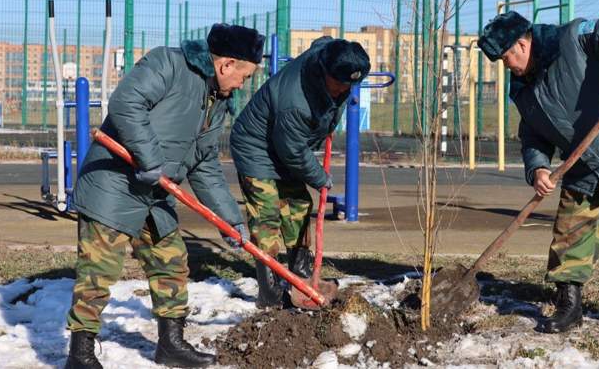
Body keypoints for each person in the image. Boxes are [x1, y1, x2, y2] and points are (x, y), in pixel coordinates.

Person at [64, 24, 264, 369]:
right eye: (244, 76)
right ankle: (80, 354)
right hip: (114, 183)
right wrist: (150, 158)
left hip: (156, 195)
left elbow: (204, 164)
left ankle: (170, 344)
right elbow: (126, 103)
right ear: (226, 64)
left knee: (171, 263)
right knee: (98, 272)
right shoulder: (168, 64)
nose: (242, 84)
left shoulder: (216, 102)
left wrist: (230, 219)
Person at [478, 11, 599, 340]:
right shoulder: (522, 90)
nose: (506, 65)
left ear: (523, 44)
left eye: (507, 57)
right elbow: (532, 134)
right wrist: (538, 167)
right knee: (570, 232)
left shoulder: (571, 39)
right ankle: (569, 306)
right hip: (582, 165)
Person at [229, 36, 370, 307]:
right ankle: (269, 292)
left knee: (298, 207)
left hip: (285, 146)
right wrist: (320, 177)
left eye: (350, 84)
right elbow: (292, 150)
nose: (344, 90)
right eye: (340, 83)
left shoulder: (328, 56)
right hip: (257, 148)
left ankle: (301, 275)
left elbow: (323, 41)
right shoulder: (296, 100)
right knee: (267, 214)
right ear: (325, 71)